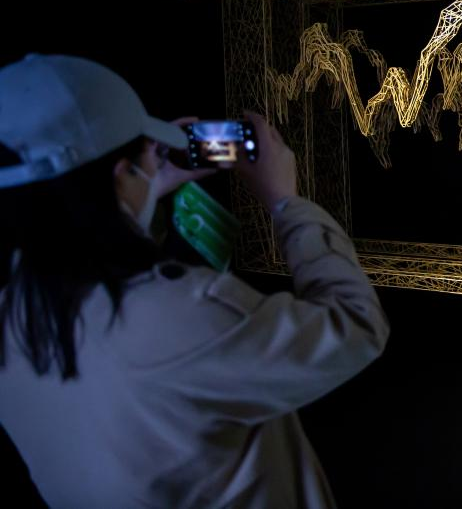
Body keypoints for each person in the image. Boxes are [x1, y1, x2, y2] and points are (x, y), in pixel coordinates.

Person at [0, 54, 390, 508]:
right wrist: (285, 202)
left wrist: (141, 193)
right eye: (146, 153)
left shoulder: (12, 311)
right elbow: (356, 323)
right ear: (121, 175)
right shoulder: (185, 311)